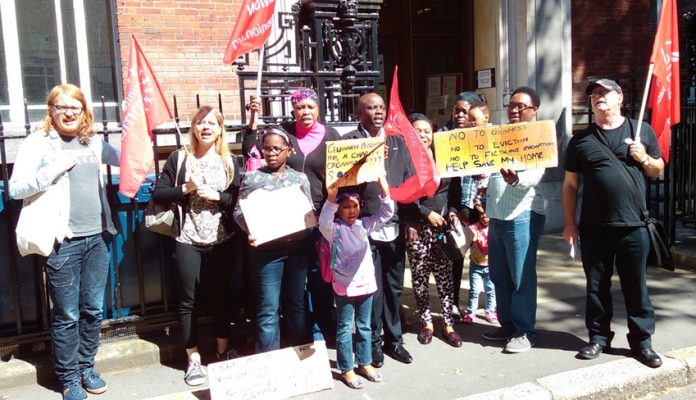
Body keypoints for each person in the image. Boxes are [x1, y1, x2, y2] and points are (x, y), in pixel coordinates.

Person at [9, 84, 120, 400]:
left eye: (76, 107)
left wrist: (138, 124)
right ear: (51, 111)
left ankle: (86, 366)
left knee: (93, 311)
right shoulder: (38, 143)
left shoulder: (92, 142)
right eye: (62, 107)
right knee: (68, 315)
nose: (69, 113)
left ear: (85, 111)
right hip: (63, 242)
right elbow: (16, 189)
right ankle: (69, 378)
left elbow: (130, 158)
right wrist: (53, 170)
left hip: (97, 238)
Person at [562, 79, 664, 368]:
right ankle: (598, 338)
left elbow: (658, 169)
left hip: (634, 226)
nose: (597, 97)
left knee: (636, 287)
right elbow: (570, 185)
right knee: (596, 288)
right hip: (594, 228)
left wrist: (643, 156)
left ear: (619, 97)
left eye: (604, 93)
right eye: (593, 94)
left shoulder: (640, 130)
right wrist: (570, 223)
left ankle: (642, 343)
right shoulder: (580, 141)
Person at [243, 88, 341, 344]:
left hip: (322, 217)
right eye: (299, 108)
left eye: (310, 107)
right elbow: (253, 147)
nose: (305, 112)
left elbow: (345, 169)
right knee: (293, 291)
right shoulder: (285, 133)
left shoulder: (331, 135)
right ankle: (292, 340)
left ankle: (320, 332)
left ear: (318, 109)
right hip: (286, 228)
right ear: (293, 110)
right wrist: (252, 120)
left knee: (319, 278)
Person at [152, 106, 240, 386]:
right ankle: (193, 360)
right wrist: (185, 188)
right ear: (193, 128)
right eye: (201, 123)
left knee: (221, 297)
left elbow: (237, 198)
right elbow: (159, 192)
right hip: (187, 238)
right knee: (187, 301)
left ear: (220, 129)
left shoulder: (230, 159)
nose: (206, 127)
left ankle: (223, 352)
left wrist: (218, 196)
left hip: (221, 239)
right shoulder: (180, 158)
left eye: (212, 123)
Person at [341, 92, 415, 367]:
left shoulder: (397, 140)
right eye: (371, 108)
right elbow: (341, 181)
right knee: (372, 290)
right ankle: (372, 345)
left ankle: (395, 341)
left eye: (381, 107)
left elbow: (409, 182)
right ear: (360, 113)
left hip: (394, 227)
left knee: (394, 288)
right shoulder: (348, 142)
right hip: (365, 226)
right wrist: (368, 159)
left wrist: (411, 221)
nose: (378, 112)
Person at [234, 127, 314, 353]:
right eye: (266, 149)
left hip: (297, 249)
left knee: (296, 304)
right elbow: (239, 211)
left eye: (277, 149)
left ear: (288, 150)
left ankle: (301, 353)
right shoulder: (252, 178)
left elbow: (308, 210)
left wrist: (309, 220)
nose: (271, 153)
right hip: (268, 253)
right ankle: (268, 361)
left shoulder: (300, 178)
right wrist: (249, 230)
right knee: (268, 308)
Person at [482, 85, 545, 354]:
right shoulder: (499, 136)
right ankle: (507, 324)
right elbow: (490, 170)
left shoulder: (539, 137)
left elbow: (535, 175)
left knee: (521, 277)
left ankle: (525, 331)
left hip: (522, 216)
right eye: (512, 105)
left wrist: (516, 178)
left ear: (534, 111)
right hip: (496, 218)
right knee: (499, 275)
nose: (515, 110)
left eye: (521, 106)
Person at [319, 177, 393, 389]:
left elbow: (386, 213)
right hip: (344, 287)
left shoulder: (364, 225)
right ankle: (346, 368)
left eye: (355, 206)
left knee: (364, 326)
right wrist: (331, 199)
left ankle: (364, 363)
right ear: (339, 210)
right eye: (345, 207)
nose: (351, 211)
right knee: (344, 328)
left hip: (366, 285)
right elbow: (323, 220)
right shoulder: (333, 229)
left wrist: (385, 191)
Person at [404, 113, 462, 347]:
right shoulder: (406, 161)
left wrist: (455, 211)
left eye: (427, 131)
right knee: (419, 278)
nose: (423, 135)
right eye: (418, 131)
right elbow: (402, 196)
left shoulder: (444, 156)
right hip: (417, 228)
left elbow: (454, 190)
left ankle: (448, 324)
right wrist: (425, 213)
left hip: (443, 229)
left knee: (445, 276)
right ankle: (426, 323)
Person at [439, 91, 486, 321]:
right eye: (456, 110)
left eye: (464, 111)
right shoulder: (444, 137)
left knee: (483, 259)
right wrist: (452, 210)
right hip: (455, 207)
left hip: (479, 207)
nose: (459, 115)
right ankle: (453, 303)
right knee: (455, 256)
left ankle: (489, 306)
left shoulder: (485, 138)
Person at [462, 200, 497, 324]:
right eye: (482, 215)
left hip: (491, 265)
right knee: (474, 290)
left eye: (487, 215)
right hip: (476, 265)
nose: (485, 218)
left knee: (490, 290)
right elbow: (466, 234)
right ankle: (471, 312)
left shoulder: (495, 228)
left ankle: (490, 311)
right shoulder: (474, 228)